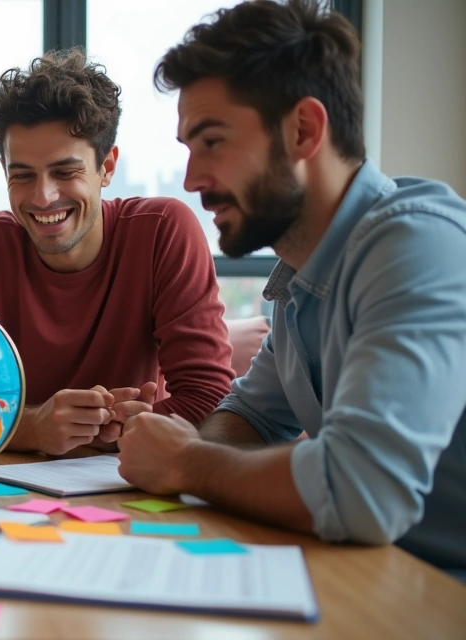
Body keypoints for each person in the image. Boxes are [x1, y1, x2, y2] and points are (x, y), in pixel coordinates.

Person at [117, 0, 466, 579]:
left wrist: (186, 463)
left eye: (213, 142)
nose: (192, 179)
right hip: (379, 576)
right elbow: (251, 416)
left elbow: (363, 492)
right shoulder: (302, 280)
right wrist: (186, 447)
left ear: (303, 130)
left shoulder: (415, 244)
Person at [0, 49, 234, 456]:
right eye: (22, 175)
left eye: (66, 172)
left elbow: (209, 397)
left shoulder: (163, 230)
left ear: (107, 167)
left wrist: (117, 432)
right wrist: (33, 428)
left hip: (131, 481)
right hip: (9, 480)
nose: (43, 197)